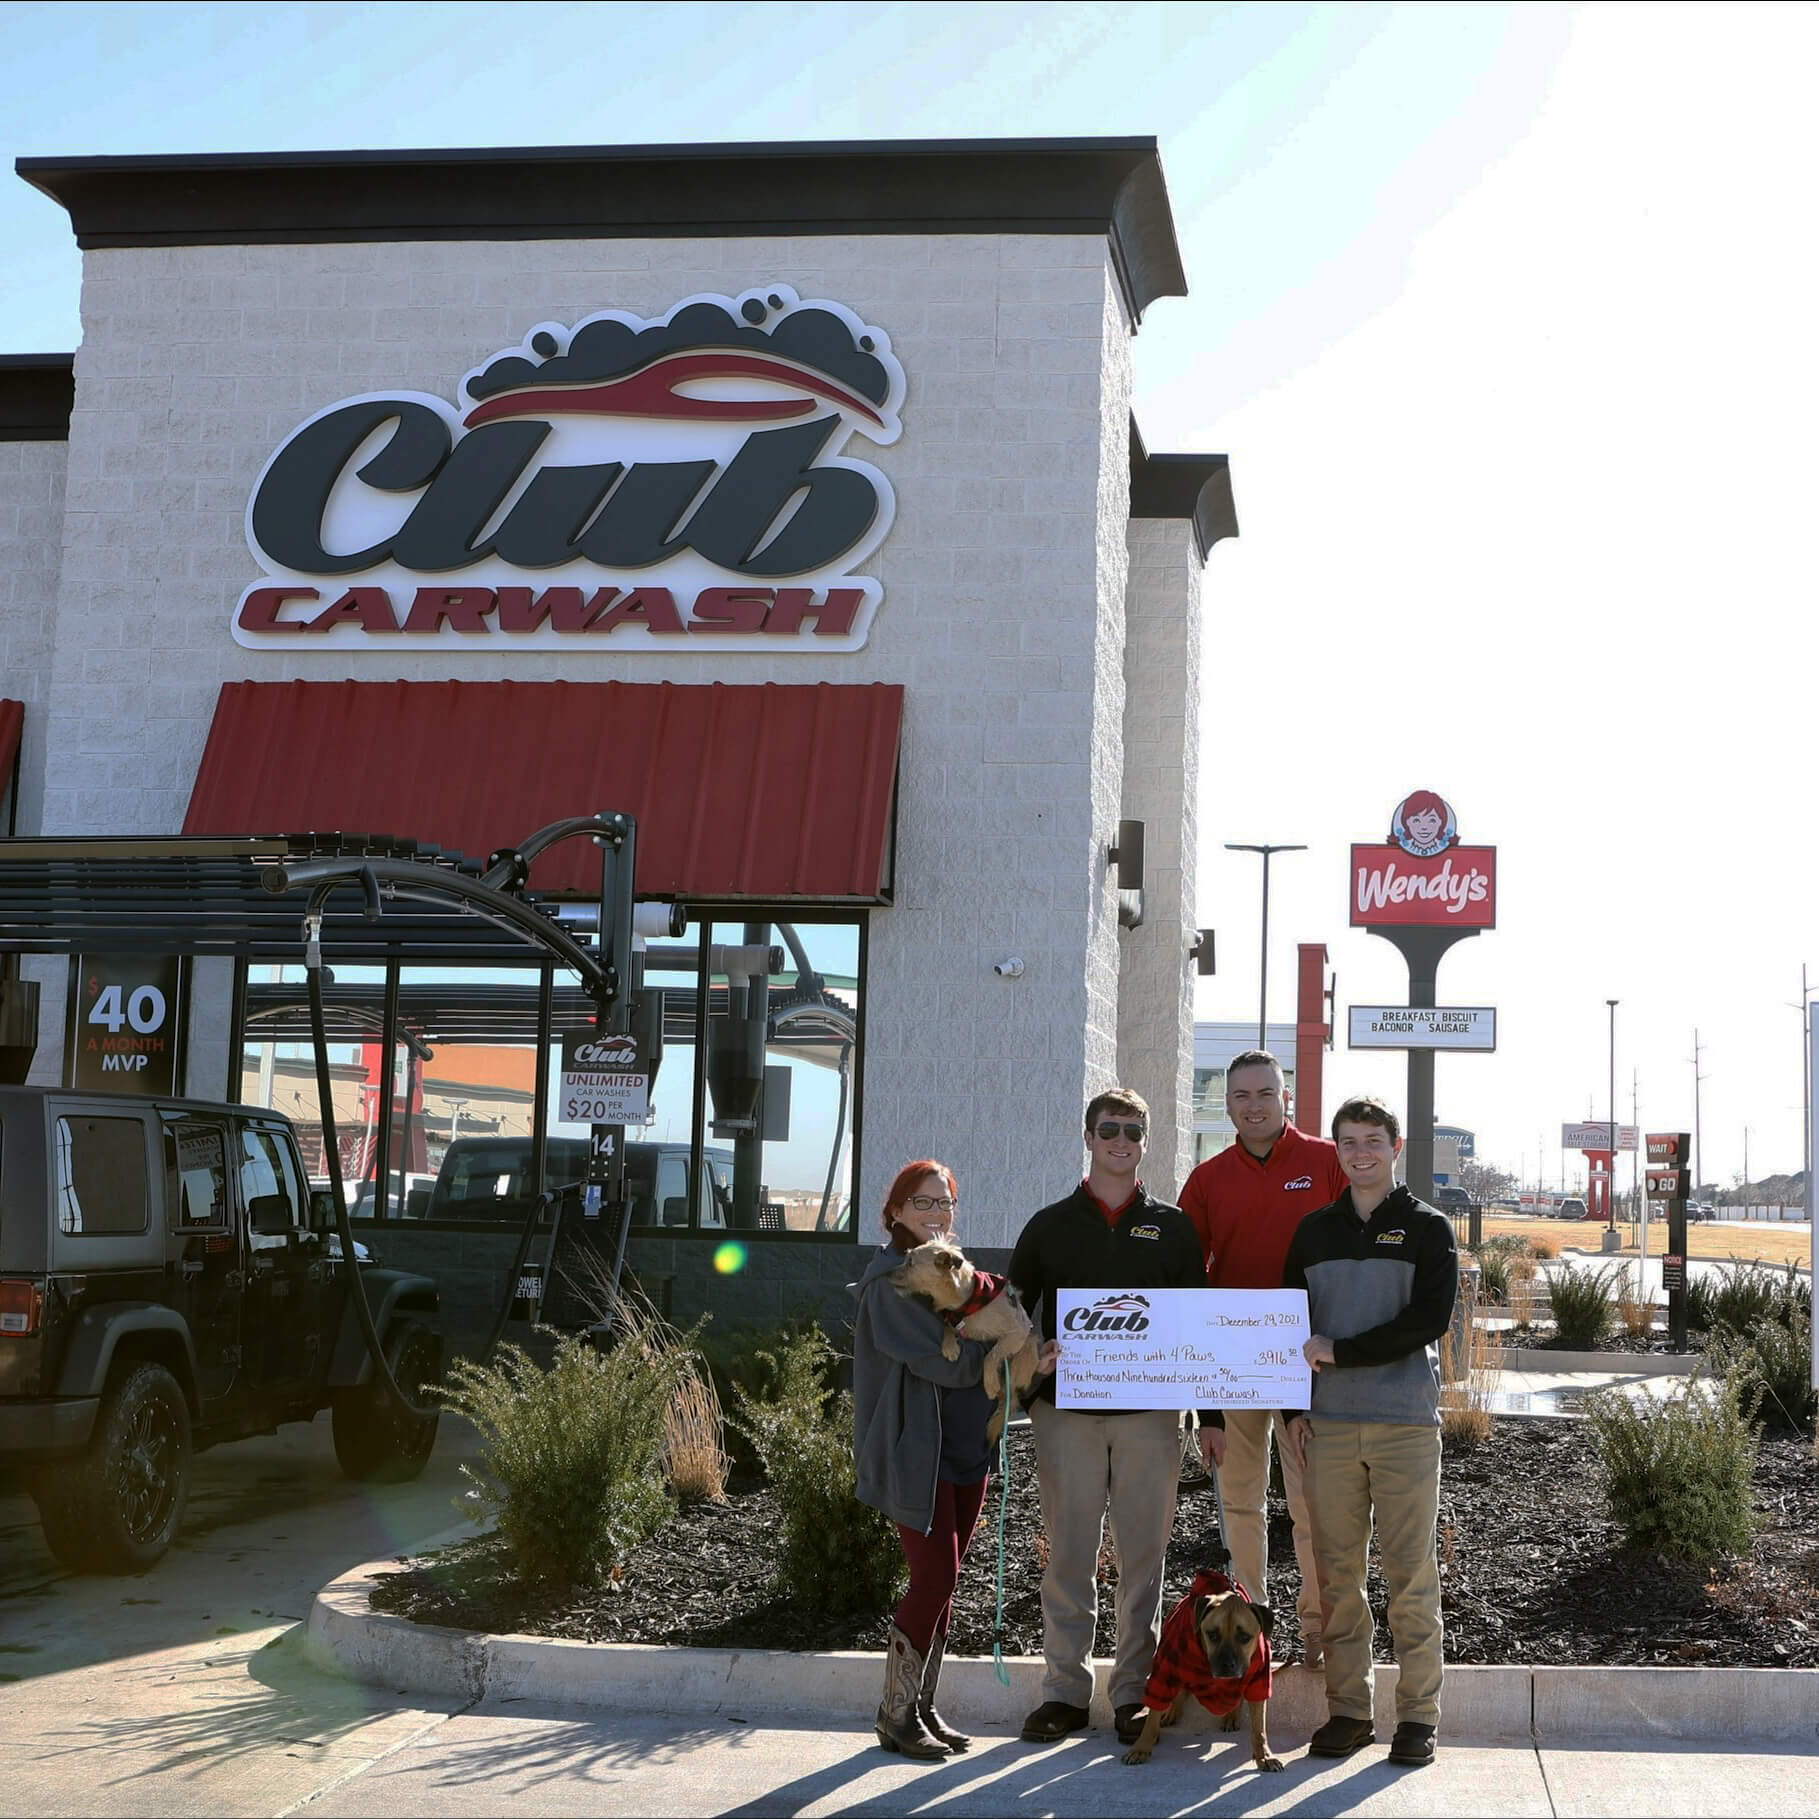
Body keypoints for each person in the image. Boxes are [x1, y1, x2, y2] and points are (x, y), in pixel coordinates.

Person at [1009, 1087, 1224, 1746]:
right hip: (1067, 1415)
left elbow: (1197, 1321)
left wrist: (1209, 1413)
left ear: (1144, 1141)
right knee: (1068, 1556)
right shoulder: (1049, 1224)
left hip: (1150, 1415)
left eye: (1133, 1129)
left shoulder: (1173, 1225)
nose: (1121, 1140)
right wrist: (1027, 1365)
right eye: (1109, 1128)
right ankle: (1064, 1692)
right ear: (1088, 1135)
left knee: (1143, 1559)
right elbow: (1012, 1310)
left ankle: (1133, 1692)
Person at [852, 1159, 1056, 1760]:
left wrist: (1026, 1362)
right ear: (895, 1212)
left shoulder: (954, 1278)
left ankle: (920, 1707)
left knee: (946, 1581)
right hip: (915, 1450)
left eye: (945, 1203)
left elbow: (987, 1343)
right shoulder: (890, 1282)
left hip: (965, 1447)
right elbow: (946, 1364)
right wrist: (1001, 1349)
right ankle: (893, 1714)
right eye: (923, 1203)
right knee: (933, 1576)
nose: (937, 1213)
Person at [1283, 1096, 1458, 1769]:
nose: (1360, 1152)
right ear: (1336, 1149)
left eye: (1372, 1140)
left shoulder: (1427, 1227)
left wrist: (1339, 1351)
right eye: (1347, 1142)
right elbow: (1286, 1324)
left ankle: (1416, 1716)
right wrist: (1293, 1408)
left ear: (1395, 1145)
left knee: (1410, 1573)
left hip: (1404, 1424)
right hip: (1326, 1427)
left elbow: (1427, 1321)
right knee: (1338, 1577)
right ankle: (1349, 1712)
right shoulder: (1312, 1232)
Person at [1178, 1049, 1347, 1669]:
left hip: (1312, 1364)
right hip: (1234, 1366)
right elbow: (1185, 1284)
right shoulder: (1207, 1179)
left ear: (1287, 1100)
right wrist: (1206, 1405)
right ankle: (1252, 1633)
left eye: (1265, 1094)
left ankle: (1317, 1635)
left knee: (1312, 1507)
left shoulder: (1327, 1163)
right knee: (1242, 1503)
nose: (1253, 1106)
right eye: (1241, 1096)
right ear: (1227, 1104)